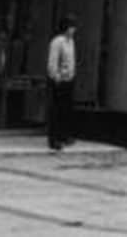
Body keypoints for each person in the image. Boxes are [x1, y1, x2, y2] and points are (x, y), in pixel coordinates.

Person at [45, 15, 78, 151]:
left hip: (69, 79)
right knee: (56, 110)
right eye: (71, 27)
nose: (73, 30)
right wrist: (56, 76)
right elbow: (52, 61)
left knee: (66, 109)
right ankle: (54, 139)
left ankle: (64, 135)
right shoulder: (57, 41)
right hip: (58, 80)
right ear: (65, 28)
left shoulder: (71, 42)